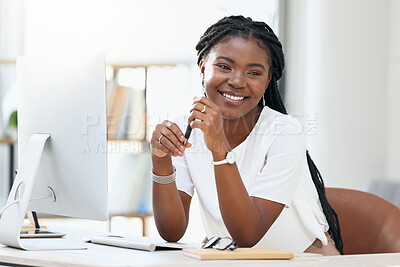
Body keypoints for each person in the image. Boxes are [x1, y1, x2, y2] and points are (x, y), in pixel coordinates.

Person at [150, 15, 343, 255]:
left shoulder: (285, 132)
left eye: (254, 73)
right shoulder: (186, 130)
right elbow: (172, 231)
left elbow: (247, 234)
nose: (237, 81)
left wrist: (218, 148)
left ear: (267, 80)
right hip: (236, 258)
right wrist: (161, 162)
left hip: (304, 258)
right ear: (202, 68)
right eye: (224, 66)